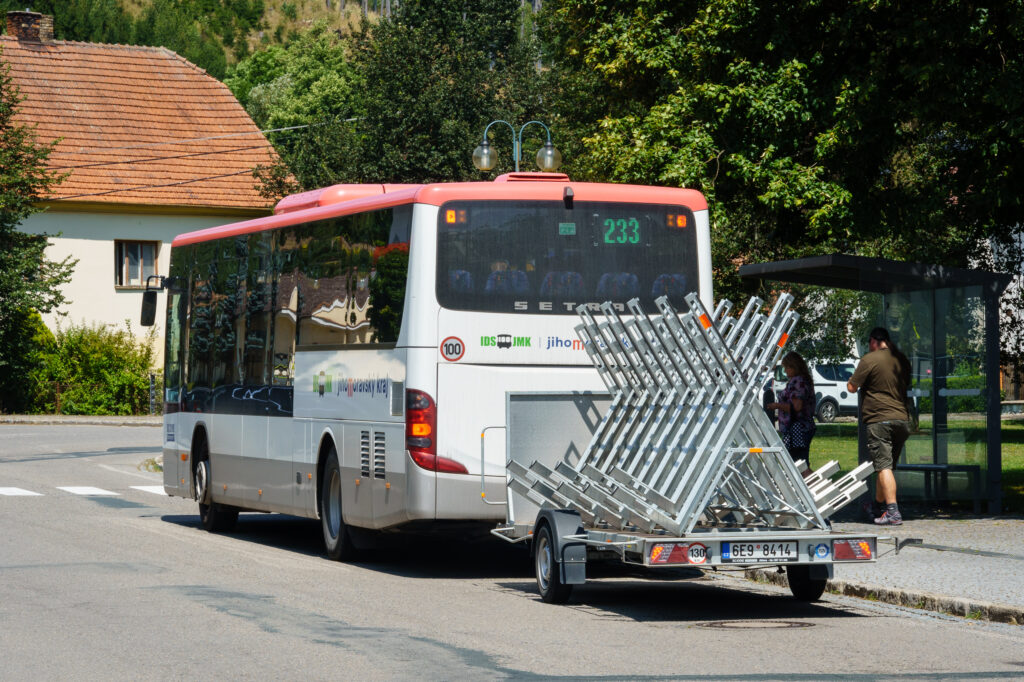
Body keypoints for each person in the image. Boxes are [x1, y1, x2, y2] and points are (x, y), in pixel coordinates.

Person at [847, 327, 912, 526]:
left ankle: (893, 512)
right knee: (886, 468)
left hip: (879, 419)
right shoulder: (901, 359)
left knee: (883, 467)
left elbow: (851, 387)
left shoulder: (869, 359)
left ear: (874, 341)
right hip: (901, 419)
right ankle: (876, 507)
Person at [767, 352, 816, 465]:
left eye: (786, 367)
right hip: (802, 427)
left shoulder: (798, 382)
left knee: (799, 464)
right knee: (800, 463)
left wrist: (777, 406)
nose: (785, 371)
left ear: (793, 366)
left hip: (798, 428)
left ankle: (811, 482)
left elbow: (797, 407)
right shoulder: (803, 380)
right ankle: (809, 481)